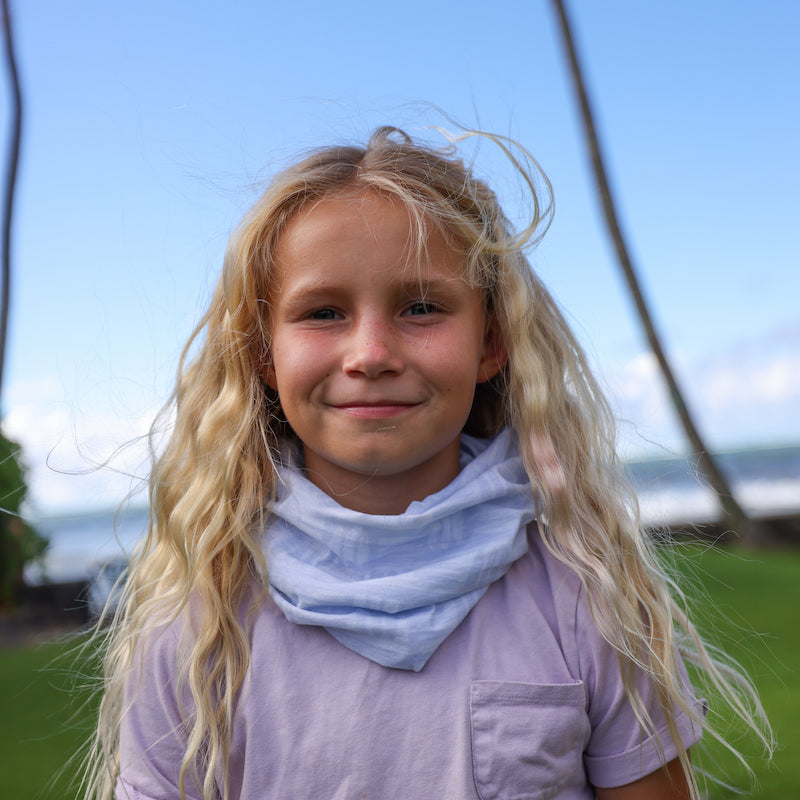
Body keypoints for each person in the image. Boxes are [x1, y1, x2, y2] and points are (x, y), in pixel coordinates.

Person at [83, 126, 771, 800]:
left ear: (492, 342)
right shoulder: (201, 623)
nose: (371, 353)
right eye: (323, 312)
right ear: (263, 353)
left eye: (420, 307)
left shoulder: (585, 591)